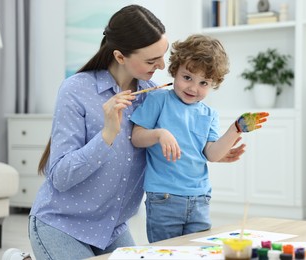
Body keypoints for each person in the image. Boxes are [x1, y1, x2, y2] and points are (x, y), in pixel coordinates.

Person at [27, 5, 245, 260]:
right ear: (120, 57)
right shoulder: (76, 90)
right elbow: (60, 177)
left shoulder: (154, 95)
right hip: (62, 223)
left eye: (162, 55)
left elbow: (171, 142)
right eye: (152, 60)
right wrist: (107, 134)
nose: (163, 65)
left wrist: (210, 151)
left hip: (111, 228)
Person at [130, 34, 269, 243]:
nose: (193, 88)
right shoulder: (158, 100)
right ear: (174, 71)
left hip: (200, 199)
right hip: (164, 198)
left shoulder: (209, 114)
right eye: (187, 77)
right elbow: (136, 138)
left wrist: (235, 129)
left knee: (199, 252)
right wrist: (160, 134)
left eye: (203, 82)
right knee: (165, 254)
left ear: (213, 84)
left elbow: (212, 155)